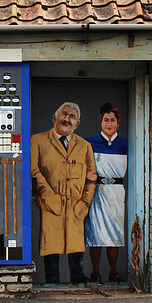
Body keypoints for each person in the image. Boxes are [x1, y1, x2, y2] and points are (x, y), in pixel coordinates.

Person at [31, 102, 96, 284]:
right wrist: (48, 195)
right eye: (64, 114)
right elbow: (34, 171)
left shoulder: (84, 146)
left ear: (77, 123)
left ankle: (77, 278)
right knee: (51, 243)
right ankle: (52, 280)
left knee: (75, 243)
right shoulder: (38, 140)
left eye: (72, 116)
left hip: (76, 204)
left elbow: (92, 177)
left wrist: (85, 202)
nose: (67, 119)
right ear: (54, 118)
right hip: (50, 202)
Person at [84, 102, 128, 283]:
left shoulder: (125, 144)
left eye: (112, 120)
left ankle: (113, 272)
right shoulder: (90, 143)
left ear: (118, 123)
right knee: (95, 233)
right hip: (96, 191)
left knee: (114, 234)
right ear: (101, 122)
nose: (109, 124)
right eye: (105, 120)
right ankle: (95, 271)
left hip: (116, 193)